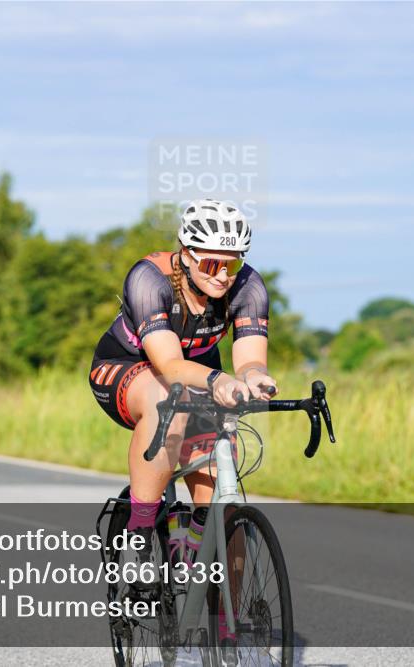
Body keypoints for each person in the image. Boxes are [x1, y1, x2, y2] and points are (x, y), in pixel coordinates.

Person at [88, 199, 275, 660]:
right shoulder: (150, 280)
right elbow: (170, 366)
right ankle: (140, 529)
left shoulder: (246, 285)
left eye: (233, 264)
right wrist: (218, 380)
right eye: (211, 262)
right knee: (164, 399)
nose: (222, 275)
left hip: (199, 374)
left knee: (222, 499)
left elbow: (249, 358)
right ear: (186, 254)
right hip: (130, 370)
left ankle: (216, 617)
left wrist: (255, 379)